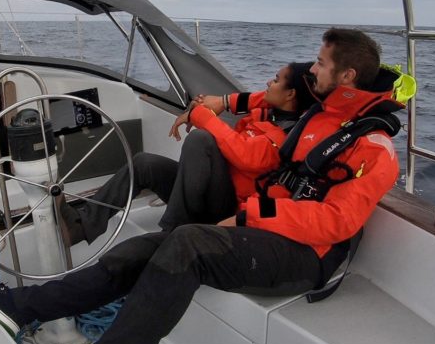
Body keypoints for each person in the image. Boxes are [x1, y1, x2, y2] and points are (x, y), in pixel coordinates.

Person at [0, 28, 413, 344]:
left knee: (187, 241)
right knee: (146, 248)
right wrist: (223, 103)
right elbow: (262, 99)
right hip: (268, 230)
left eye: (321, 62)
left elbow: (338, 222)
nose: (313, 69)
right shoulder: (323, 114)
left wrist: (252, 216)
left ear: (347, 77)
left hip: (305, 258)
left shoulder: (373, 147)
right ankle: (21, 305)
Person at [62, 61, 319, 244]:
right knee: (144, 163)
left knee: (201, 139)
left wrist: (201, 116)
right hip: (207, 192)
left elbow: (246, 157)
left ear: (290, 94)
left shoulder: (287, 137)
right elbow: (255, 98)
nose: (268, 82)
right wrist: (213, 104)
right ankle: (81, 227)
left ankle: (172, 233)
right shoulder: (268, 109)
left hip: (227, 211)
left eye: (275, 79)